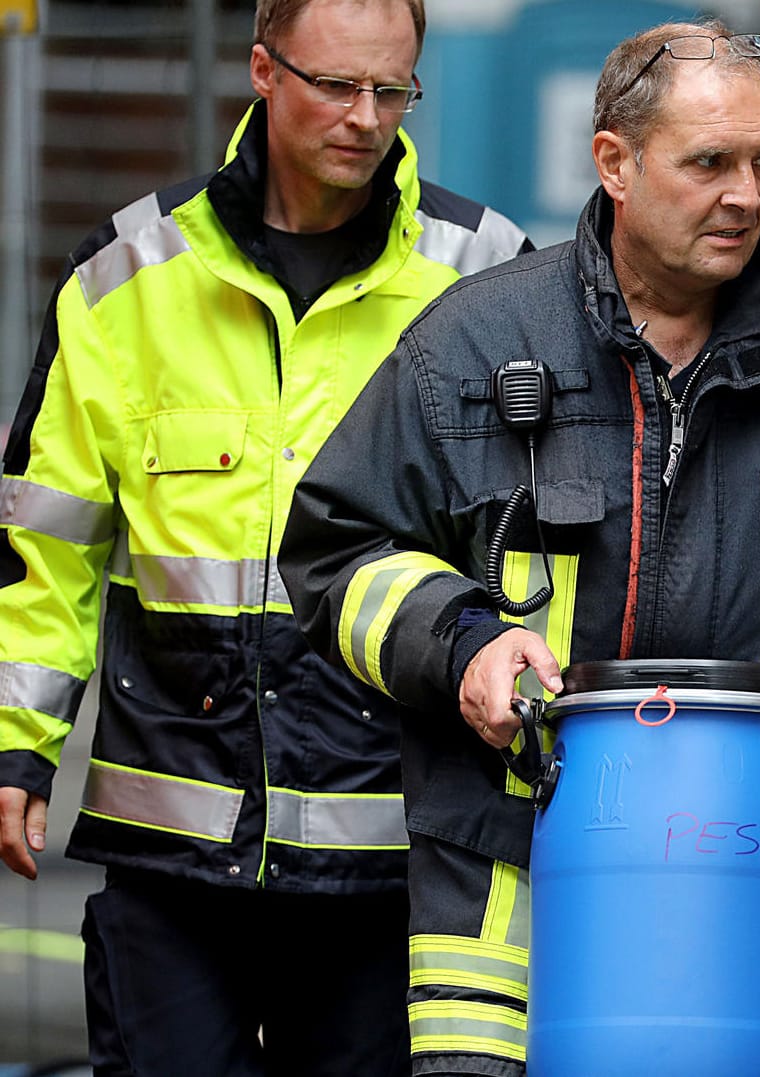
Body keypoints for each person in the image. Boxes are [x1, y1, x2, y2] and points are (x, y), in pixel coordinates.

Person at [277, 18, 760, 1077]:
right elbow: (341, 550)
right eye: (709, 163)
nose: (745, 193)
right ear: (615, 162)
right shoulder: (473, 345)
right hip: (510, 894)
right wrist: (463, 645)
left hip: (753, 884)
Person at [0, 0, 531, 1071]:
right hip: (174, 839)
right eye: (336, 85)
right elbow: (45, 542)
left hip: (394, 842)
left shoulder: (488, 275)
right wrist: (17, 744)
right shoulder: (128, 276)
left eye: (392, 90)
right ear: (261, 69)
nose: (366, 118)